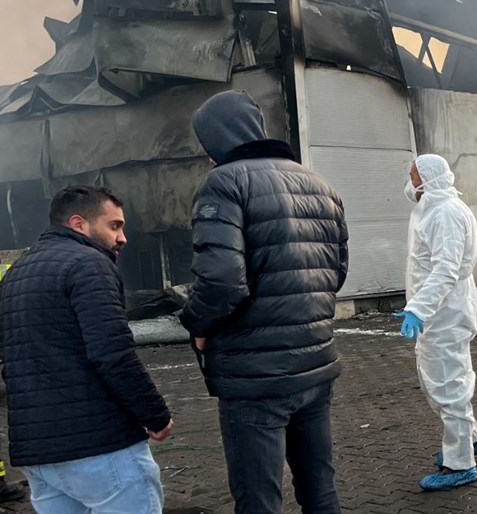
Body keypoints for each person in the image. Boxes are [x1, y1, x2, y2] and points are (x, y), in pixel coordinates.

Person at [182, 91, 349, 514]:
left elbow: (221, 283)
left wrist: (196, 324)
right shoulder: (319, 184)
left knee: (259, 498)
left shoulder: (225, 183)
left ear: (215, 139)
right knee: (320, 489)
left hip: (255, 376)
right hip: (314, 364)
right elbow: (336, 273)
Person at [1, 186, 173, 513]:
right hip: (100, 449)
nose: (122, 238)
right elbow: (112, 353)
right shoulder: (89, 263)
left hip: (38, 456)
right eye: (114, 226)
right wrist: (155, 415)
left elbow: (13, 365)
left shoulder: (17, 274)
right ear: (79, 224)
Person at [396, 154, 477, 491]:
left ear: (428, 178)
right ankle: (473, 438)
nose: (409, 182)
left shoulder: (446, 213)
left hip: (444, 312)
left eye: (413, 175)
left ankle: (461, 463)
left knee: (448, 385)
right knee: (439, 380)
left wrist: (418, 308)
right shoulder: (434, 209)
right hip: (442, 311)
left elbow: (446, 269)